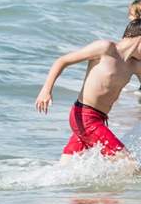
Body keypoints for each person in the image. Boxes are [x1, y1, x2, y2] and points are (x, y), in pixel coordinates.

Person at [35, 18, 141, 160]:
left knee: (65, 168)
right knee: (129, 163)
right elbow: (63, 61)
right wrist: (46, 90)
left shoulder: (134, 65)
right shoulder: (106, 48)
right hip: (85, 116)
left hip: (98, 119)